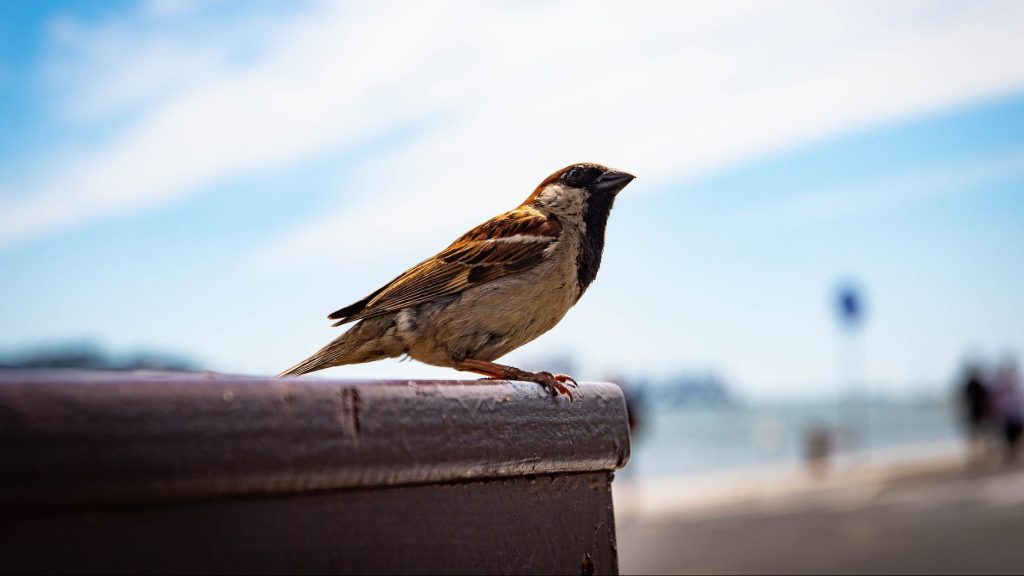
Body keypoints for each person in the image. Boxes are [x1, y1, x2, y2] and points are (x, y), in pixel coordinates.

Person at [992, 357, 1023, 464]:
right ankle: (1010, 455)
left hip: (1014, 416)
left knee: (1014, 437)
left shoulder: (1013, 389)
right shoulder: (1003, 390)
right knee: (1010, 438)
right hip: (1008, 417)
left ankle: (1012, 455)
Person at [960, 363, 991, 462]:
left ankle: (983, 454)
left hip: (980, 414)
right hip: (973, 414)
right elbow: (965, 400)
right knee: (973, 436)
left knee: (982, 435)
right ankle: (975, 455)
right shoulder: (969, 385)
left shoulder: (980, 386)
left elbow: (986, 400)